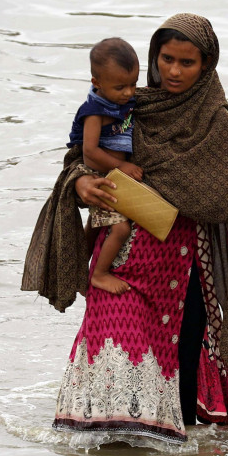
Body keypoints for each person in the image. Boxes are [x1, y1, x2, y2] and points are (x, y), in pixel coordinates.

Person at [21, 13, 228, 448]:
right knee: (112, 353)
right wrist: (82, 182)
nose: (174, 71)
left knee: (175, 385)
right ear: (154, 58)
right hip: (117, 260)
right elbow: (80, 158)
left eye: (187, 62)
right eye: (167, 58)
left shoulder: (216, 125)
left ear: (207, 65)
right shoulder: (124, 103)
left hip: (180, 273)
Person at [65, 37, 142, 295]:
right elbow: (89, 153)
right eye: (120, 87)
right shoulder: (94, 111)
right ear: (96, 83)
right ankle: (98, 274)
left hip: (111, 172)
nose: (129, 93)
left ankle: (78, 270)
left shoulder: (121, 102)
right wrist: (121, 166)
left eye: (133, 84)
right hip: (98, 175)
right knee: (119, 227)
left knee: (95, 226)